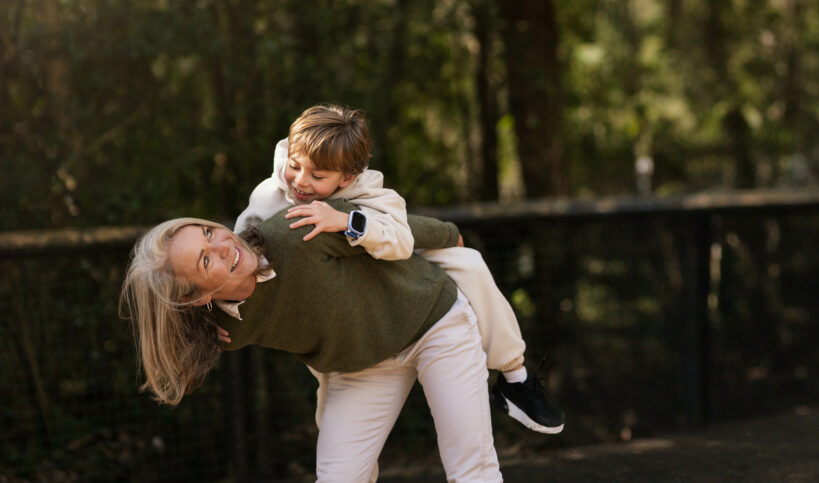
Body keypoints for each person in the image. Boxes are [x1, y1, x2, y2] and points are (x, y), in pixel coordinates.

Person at [233, 104, 564, 434]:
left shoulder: (366, 189)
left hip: (374, 264)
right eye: (294, 166)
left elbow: (401, 238)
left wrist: (346, 221)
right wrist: (223, 304)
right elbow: (238, 247)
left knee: (469, 261)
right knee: (334, 393)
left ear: (347, 176)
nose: (300, 181)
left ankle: (514, 377)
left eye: (318, 176)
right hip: (328, 301)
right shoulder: (270, 195)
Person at [120, 200, 502, 482]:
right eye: (206, 261)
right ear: (195, 299)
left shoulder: (298, 231)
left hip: (433, 320)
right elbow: (181, 336)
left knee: (471, 468)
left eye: (208, 232)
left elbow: (382, 223)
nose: (223, 245)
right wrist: (203, 333)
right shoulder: (223, 328)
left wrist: (449, 235)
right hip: (363, 365)